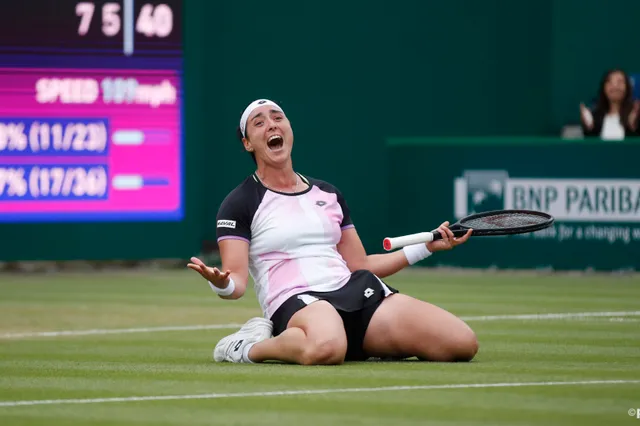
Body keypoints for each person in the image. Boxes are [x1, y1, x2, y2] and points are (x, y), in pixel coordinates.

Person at [187, 99, 478, 365]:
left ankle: (362, 342)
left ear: (289, 129)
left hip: (353, 290)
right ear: (248, 143)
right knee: (327, 347)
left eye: (278, 117)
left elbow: (361, 265)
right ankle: (247, 347)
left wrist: (426, 247)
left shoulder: (328, 193)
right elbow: (235, 283)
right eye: (259, 122)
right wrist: (220, 283)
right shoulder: (238, 203)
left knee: (461, 343)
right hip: (297, 300)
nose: (272, 124)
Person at [580, 69, 640, 140]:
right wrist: (588, 128)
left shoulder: (635, 114)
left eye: (620, 82)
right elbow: (591, 145)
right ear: (604, 88)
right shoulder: (595, 116)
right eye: (609, 82)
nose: (615, 86)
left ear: (627, 87)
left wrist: (633, 127)